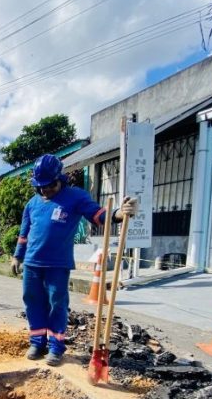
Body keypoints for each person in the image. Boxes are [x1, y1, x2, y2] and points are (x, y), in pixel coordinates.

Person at [11, 153, 138, 366]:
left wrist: (119, 213)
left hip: (58, 264)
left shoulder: (75, 197)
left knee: (57, 305)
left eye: (49, 185)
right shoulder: (32, 204)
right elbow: (24, 234)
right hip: (32, 263)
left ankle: (56, 346)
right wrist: (17, 256)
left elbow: (98, 215)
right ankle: (37, 341)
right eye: (41, 186)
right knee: (32, 302)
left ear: (60, 179)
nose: (45, 190)